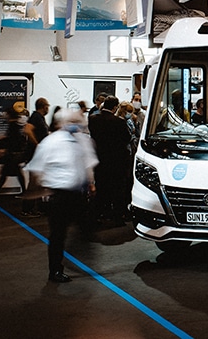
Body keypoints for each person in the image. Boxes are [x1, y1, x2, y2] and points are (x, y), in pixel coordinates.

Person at [24, 107, 98, 283]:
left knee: (85, 228)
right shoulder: (51, 142)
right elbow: (37, 168)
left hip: (79, 194)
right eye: (71, 122)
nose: (75, 125)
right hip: (59, 195)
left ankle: (79, 250)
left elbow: (88, 163)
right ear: (61, 123)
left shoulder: (83, 140)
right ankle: (55, 270)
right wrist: (38, 189)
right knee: (58, 234)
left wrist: (91, 183)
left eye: (77, 122)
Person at [88, 96, 132, 225]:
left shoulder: (93, 119)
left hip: (100, 158)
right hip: (117, 160)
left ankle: (99, 214)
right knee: (117, 189)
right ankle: (117, 216)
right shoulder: (119, 122)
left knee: (101, 187)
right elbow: (127, 138)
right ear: (115, 107)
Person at [21, 98, 51, 217]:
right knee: (33, 183)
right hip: (34, 155)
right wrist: (37, 144)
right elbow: (27, 130)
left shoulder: (40, 118)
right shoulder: (35, 117)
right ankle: (27, 209)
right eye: (47, 106)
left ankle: (35, 207)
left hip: (39, 155)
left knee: (37, 182)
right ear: (44, 106)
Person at [0, 102, 29, 199]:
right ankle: (23, 191)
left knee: (5, 174)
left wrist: (3, 143)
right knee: (15, 173)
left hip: (12, 154)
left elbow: (12, 139)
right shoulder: (16, 125)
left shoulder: (12, 126)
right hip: (14, 153)